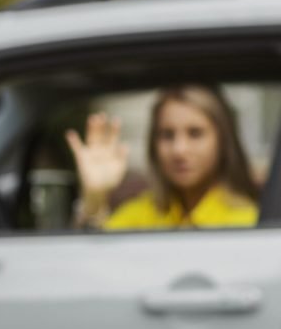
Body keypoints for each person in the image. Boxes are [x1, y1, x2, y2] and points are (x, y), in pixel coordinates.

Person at [65, 85, 260, 231]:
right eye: (167, 135)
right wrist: (94, 199)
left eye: (195, 133)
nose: (179, 150)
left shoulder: (251, 220)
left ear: (223, 141)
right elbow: (88, 266)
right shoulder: (138, 213)